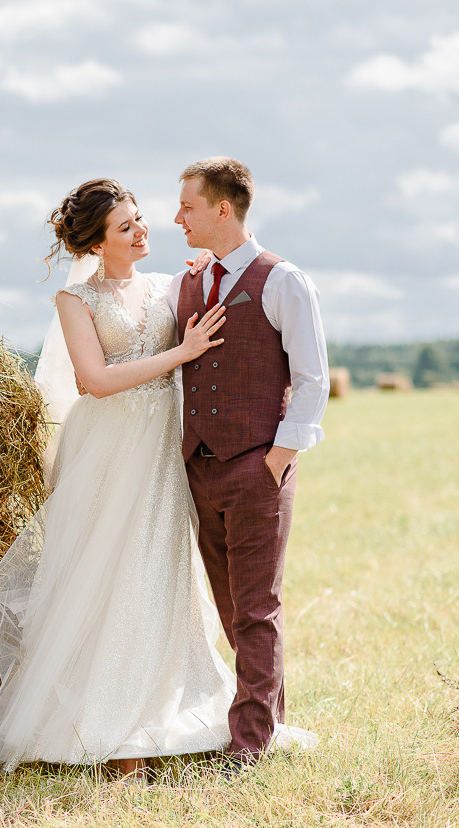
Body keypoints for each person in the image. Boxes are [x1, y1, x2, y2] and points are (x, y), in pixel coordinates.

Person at [0, 178, 236, 777]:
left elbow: (224, 291)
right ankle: (110, 732)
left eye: (140, 219)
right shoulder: (76, 301)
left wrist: (207, 269)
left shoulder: (171, 286)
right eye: (126, 227)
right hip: (109, 448)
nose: (143, 231)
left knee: (161, 569)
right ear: (96, 242)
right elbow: (95, 380)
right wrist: (180, 354)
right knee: (107, 572)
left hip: (165, 446)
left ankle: (167, 712)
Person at [169, 157, 329, 770]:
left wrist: (277, 459)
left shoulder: (284, 280)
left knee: (257, 605)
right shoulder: (189, 281)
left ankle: (250, 746)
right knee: (231, 607)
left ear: (222, 209)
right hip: (200, 467)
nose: (177, 216)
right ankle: (273, 723)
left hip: (258, 465)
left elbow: (313, 379)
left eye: (187, 205)